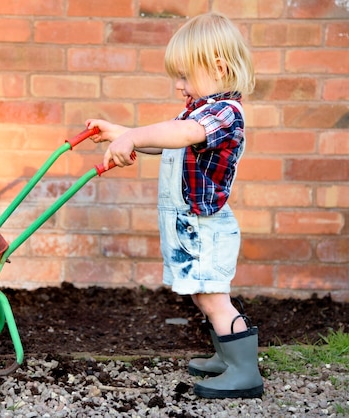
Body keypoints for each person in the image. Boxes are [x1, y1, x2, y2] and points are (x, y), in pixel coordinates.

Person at [86, 12, 263, 399]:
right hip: (191, 224)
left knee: (214, 297)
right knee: (203, 293)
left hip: (205, 226)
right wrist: (121, 133)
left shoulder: (224, 113)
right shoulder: (199, 109)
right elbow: (166, 139)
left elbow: (180, 134)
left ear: (217, 67)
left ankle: (245, 371)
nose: (178, 85)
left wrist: (132, 135)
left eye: (184, 75)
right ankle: (227, 356)